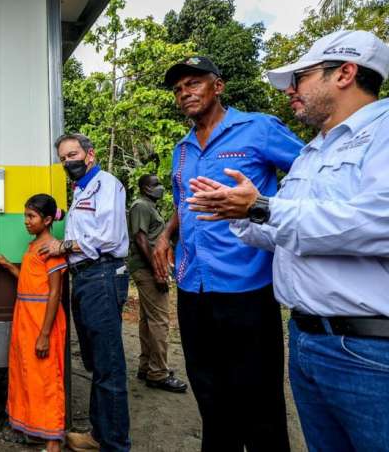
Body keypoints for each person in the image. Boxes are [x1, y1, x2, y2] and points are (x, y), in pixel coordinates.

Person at [187, 30, 389, 452]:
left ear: (346, 73)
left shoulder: (383, 134)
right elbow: (286, 228)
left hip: (368, 350)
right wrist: (238, 214)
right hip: (308, 337)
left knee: (262, 416)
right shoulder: (313, 154)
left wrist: (261, 208)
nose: (292, 91)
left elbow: (378, 221)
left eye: (301, 78)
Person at [152, 57, 303, 452]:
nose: (185, 92)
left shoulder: (258, 128)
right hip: (193, 287)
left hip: (247, 288)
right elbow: (184, 203)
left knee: (259, 403)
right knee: (210, 398)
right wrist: (166, 235)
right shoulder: (181, 150)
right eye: (178, 88)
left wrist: (266, 207)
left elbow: (314, 175)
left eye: (193, 83)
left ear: (217, 86)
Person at [40, 133, 130, 452]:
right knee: (95, 361)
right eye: (63, 158)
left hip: (103, 275)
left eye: (73, 154)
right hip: (84, 277)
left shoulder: (107, 185)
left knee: (109, 364)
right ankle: (98, 434)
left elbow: (108, 237)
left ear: (89, 155)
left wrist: (60, 246)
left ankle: (115, 444)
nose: (68, 162)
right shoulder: (81, 190)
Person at [0, 194, 68, 452]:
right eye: (25, 215)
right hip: (26, 318)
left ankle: (53, 441)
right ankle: (37, 430)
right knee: (29, 376)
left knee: (47, 379)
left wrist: (45, 334)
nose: (26, 221)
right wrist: (7, 267)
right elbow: (29, 280)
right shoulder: (34, 245)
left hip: (42, 321)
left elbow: (54, 293)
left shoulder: (52, 249)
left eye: (31, 216)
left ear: (47, 220)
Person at [127, 174, 187, 393]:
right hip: (147, 268)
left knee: (148, 319)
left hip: (149, 267)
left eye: (160, 184)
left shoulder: (149, 206)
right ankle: (159, 373)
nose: (159, 188)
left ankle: (148, 366)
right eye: (155, 185)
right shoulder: (141, 206)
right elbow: (141, 239)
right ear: (144, 188)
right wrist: (157, 270)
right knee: (160, 320)